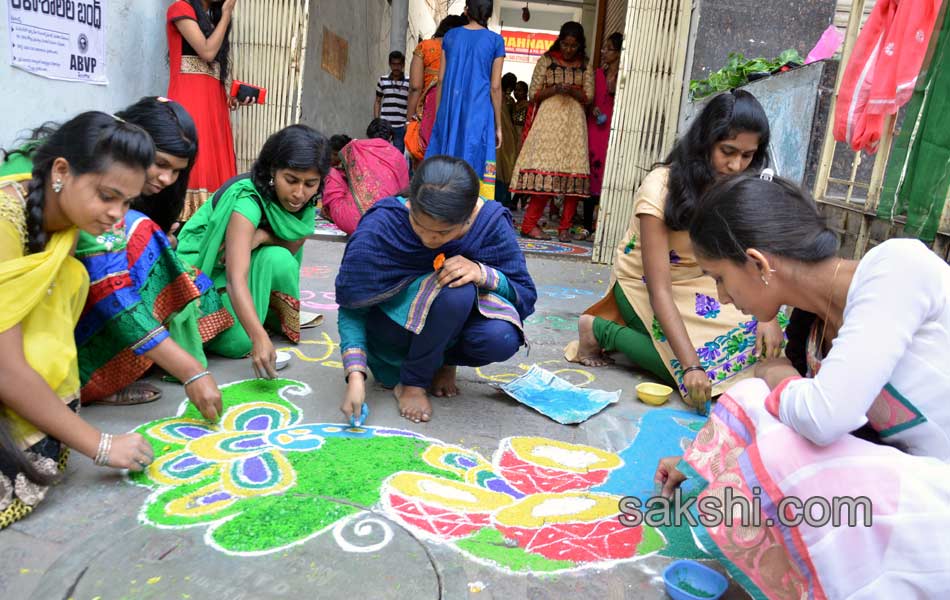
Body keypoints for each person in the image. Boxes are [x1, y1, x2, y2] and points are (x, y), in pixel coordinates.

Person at [654, 174, 950, 598]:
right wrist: (705, 460)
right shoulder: (811, 326)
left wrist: (781, 377)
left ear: (757, 264)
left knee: (785, 442)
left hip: (938, 512)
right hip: (913, 494)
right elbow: (794, 417)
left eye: (718, 277)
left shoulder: (898, 267)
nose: (720, 297)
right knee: (754, 396)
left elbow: (826, 419)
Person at [569, 90, 784, 407]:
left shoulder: (740, 186)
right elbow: (660, 291)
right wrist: (691, 366)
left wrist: (768, 318)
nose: (737, 165)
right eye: (728, 151)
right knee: (706, 373)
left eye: (748, 155)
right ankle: (599, 330)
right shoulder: (661, 186)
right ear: (705, 142)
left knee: (776, 341)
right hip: (643, 287)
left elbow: (751, 259)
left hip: (707, 285)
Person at [0, 112, 157, 529]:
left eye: (126, 202)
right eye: (107, 196)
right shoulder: (4, 221)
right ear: (62, 171)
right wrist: (102, 445)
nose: (116, 216)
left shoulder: (62, 221)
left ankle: (42, 415)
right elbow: (5, 370)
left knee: (70, 276)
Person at [335, 156, 536, 424]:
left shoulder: (488, 224)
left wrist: (481, 273)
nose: (429, 239)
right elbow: (353, 307)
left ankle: (439, 364)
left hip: (449, 325)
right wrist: (356, 377)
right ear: (411, 206)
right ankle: (410, 384)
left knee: (498, 334)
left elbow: (523, 293)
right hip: (391, 335)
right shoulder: (384, 223)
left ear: (468, 220)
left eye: (443, 233)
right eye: (419, 225)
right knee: (456, 292)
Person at [74, 98, 229, 417]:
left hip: (101, 284)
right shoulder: (90, 184)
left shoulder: (124, 186)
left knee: (198, 290)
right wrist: (191, 372)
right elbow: (112, 290)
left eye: (177, 171)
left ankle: (141, 354)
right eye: (160, 164)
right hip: (74, 303)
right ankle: (94, 375)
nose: (167, 180)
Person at [176, 125, 330, 378]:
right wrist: (257, 338)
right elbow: (236, 278)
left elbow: (294, 244)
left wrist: (262, 236)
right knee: (239, 342)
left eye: (310, 184)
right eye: (290, 180)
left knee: (280, 259)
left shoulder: (306, 200)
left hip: (244, 261)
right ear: (272, 171)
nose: (299, 193)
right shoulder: (247, 199)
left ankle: (266, 317)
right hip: (205, 267)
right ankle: (258, 324)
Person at [167, 0, 249, 223]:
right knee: (196, 157)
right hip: (190, 98)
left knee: (214, 160)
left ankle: (211, 221)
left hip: (213, 101)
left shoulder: (211, 16)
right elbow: (206, 51)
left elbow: (211, 69)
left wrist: (232, 97)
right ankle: (184, 226)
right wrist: (227, 14)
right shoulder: (180, 8)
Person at [511, 21, 594, 242]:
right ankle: (529, 224)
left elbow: (589, 96)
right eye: (565, 44)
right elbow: (533, 94)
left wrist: (574, 93)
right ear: (560, 41)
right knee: (544, 175)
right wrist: (555, 89)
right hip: (548, 123)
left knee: (573, 174)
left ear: (580, 46)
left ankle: (564, 228)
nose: (568, 50)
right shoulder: (546, 61)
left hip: (574, 125)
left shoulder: (585, 65)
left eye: (573, 46)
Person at [425, 0, 506, 201]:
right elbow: (495, 87)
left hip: (451, 110)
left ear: (466, 10)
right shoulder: (496, 41)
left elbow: (441, 79)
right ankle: (472, 207)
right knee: (475, 158)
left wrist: (440, 114)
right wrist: (498, 125)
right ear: (488, 14)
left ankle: (441, 203)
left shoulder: (450, 36)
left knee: (447, 156)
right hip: (479, 111)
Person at [322, 122, 411, 235]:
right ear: (391, 137)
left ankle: (328, 212)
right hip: (386, 224)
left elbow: (340, 169)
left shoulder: (355, 146)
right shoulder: (398, 156)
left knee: (331, 172)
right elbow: (403, 191)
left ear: (368, 134)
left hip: (352, 222)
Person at [405, 14, 469, 166]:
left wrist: (410, 120)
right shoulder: (464, 52)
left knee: (425, 159)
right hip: (456, 110)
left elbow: (415, 87)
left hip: (429, 109)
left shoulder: (425, 47)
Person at [583, 32, 623, 238]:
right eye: (604, 48)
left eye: (609, 49)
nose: (604, 52)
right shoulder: (596, 74)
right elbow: (588, 100)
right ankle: (586, 224)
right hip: (595, 129)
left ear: (619, 52)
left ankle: (603, 226)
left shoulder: (625, 77)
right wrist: (593, 109)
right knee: (591, 172)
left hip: (612, 131)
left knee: (609, 173)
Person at [375, 51, 410, 155]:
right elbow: (377, 101)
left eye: (399, 64)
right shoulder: (382, 80)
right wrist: (377, 121)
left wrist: (408, 123)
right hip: (385, 125)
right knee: (382, 153)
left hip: (401, 126)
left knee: (398, 154)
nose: (396, 67)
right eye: (394, 64)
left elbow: (412, 102)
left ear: (403, 65)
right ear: (390, 64)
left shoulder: (409, 81)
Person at [495, 72, 520, 209]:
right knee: (504, 169)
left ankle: (499, 200)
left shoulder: (500, 98)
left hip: (502, 137)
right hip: (506, 138)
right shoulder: (507, 101)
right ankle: (502, 201)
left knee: (500, 169)